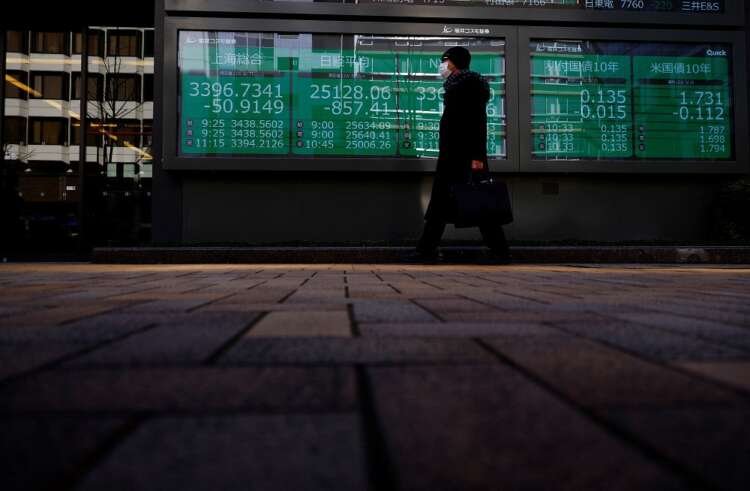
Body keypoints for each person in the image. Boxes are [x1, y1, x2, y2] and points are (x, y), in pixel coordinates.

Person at [411, 46, 511, 263]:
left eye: (444, 60)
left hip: (460, 157)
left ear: (454, 62)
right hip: (458, 157)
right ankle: (426, 248)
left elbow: (473, 125)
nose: (442, 66)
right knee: (468, 203)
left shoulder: (464, 87)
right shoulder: (463, 85)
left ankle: (426, 249)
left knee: (476, 202)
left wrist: (475, 158)